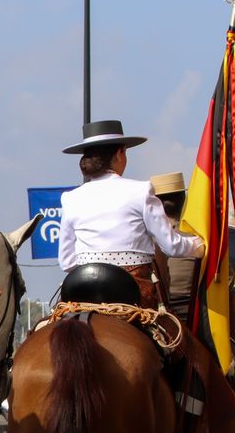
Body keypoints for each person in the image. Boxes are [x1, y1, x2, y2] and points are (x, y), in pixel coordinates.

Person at [56, 119, 202, 310]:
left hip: (84, 290)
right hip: (132, 289)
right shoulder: (141, 191)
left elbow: (66, 261)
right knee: (171, 337)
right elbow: (172, 246)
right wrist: (199, 246)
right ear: (120, 154)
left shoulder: (70, 198)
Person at [151, 172, 196, 316]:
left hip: (153, 312)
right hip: (190, 314)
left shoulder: (141, 240)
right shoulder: (198, 238)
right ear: (184, 200)